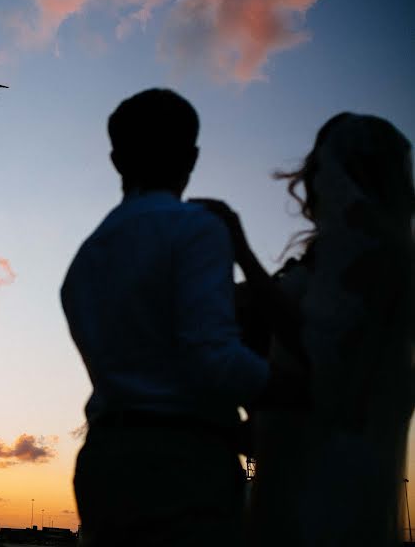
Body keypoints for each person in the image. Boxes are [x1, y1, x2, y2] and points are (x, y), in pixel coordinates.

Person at [61, 88, 297, 546]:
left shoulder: (85, 259)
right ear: (191, 157)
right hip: (182, 463)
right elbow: (214, 355)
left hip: (102, 462)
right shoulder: (198, 229)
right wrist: (296, 391)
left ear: (116, 159)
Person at [202, 113, 415, 546]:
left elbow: (319, 349)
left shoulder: (374, 260)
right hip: (290, 455)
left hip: (326, 475)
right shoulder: (340, 256)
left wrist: (240, 249)